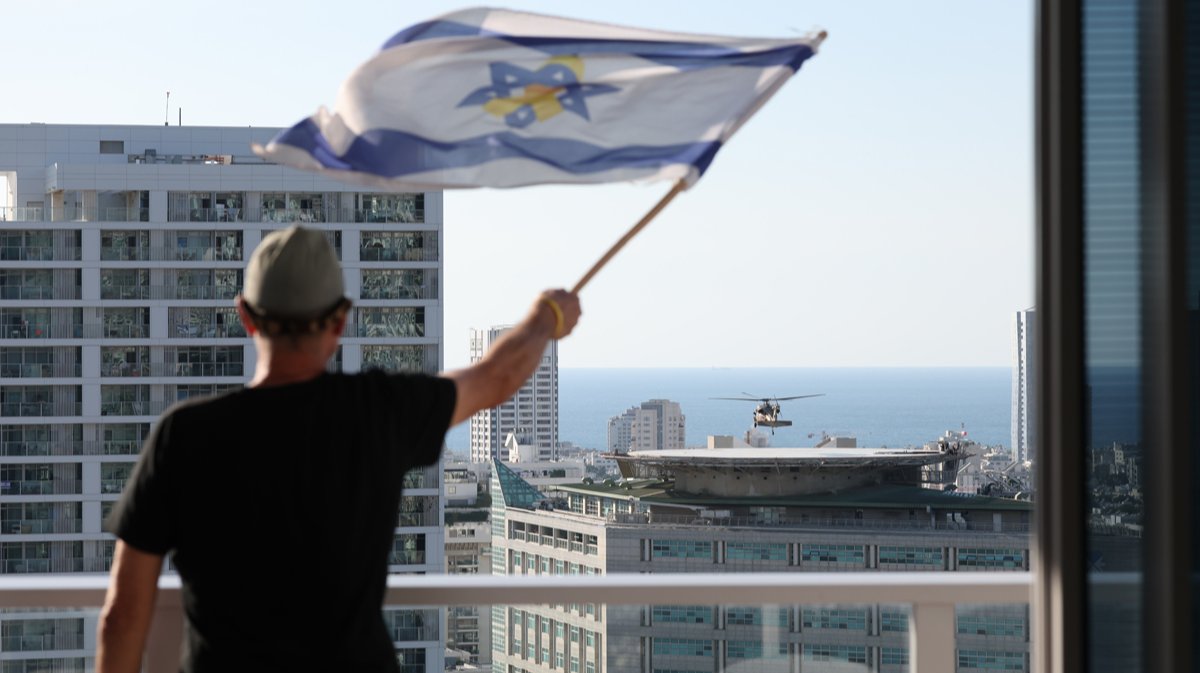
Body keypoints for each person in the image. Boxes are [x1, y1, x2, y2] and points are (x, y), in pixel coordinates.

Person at [97, 225, 581, 673]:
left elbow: (123, 615)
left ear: (245, 316)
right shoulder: (378, 412)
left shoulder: (184, 435)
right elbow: (495, 378)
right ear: (340, 321)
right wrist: (546, 317)